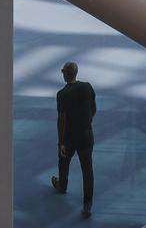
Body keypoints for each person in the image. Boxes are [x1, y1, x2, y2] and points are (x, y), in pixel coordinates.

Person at [50, 61, 97, 218]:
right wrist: (87, 122)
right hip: (86, 135)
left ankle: (62, 185)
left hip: (69, 138)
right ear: (76, 73)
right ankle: (87, 204)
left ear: (65, 74)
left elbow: (61, 120)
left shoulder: (62, 94)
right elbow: (93, 109)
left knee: (63, 162)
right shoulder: (87, 87)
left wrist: (61, 142)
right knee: (87, 169)